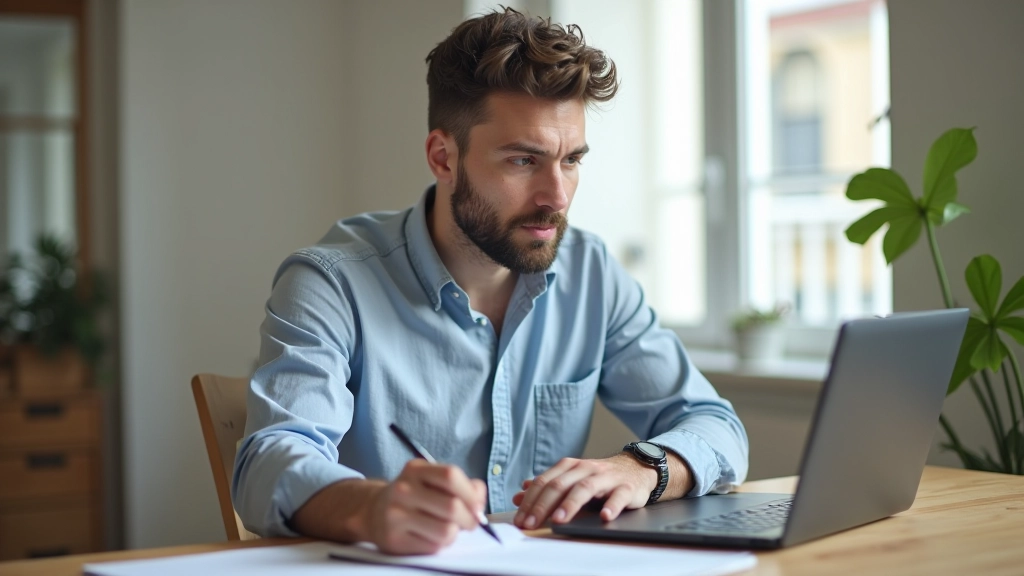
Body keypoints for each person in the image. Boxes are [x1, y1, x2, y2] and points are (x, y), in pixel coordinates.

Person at [233, 7, 748, 555]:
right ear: (443, 157)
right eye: (524, 161)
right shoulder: (332, 282)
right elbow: (268, 462)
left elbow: (715, 425)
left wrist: (643, 469)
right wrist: (371, 506)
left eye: (570, 159)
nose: (558, 196)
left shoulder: (591, 273)